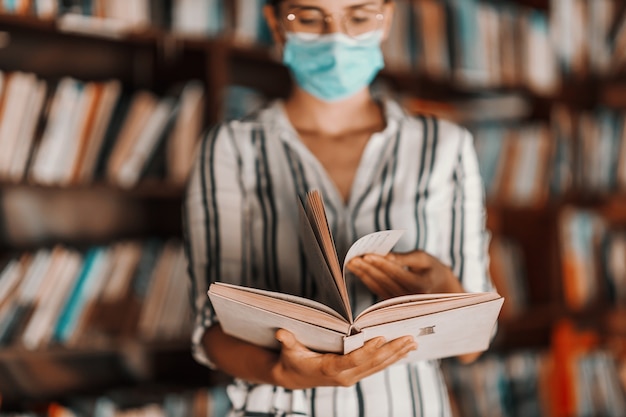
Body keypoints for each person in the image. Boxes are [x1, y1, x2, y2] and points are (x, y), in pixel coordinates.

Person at [183, 0, 495, 415]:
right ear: (275, 24)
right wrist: (284, 373)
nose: (336, 38)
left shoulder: (446, 147)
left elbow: (475, 345)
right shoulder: (231, 146)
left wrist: (448, 294)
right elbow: (209, 329)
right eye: (309, 18)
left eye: (360, 16)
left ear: (387, 19)